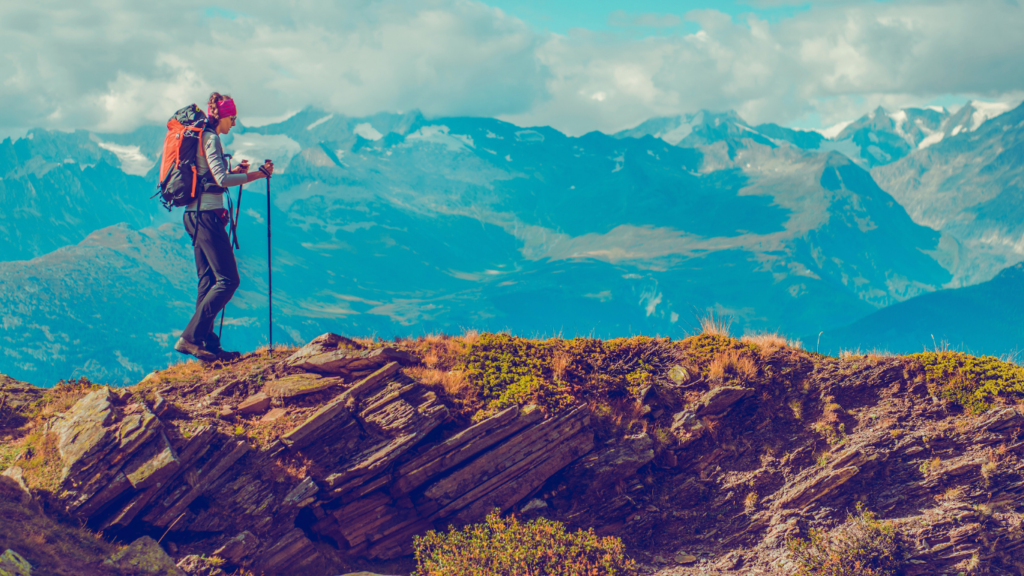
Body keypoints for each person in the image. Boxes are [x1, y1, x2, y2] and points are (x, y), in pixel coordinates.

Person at [174, 92, 274, 362]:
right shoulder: (212, 137)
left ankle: (207, 343)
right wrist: (257, 174)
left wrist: (233, 172)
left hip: (195, 216)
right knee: (229, 280)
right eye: (233, 118)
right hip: (205, 217)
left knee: (207, 282)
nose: (234, 123)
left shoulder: (202, 137)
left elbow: (210, 174)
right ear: (223, 116)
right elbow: (220, 178)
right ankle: (191, 338)